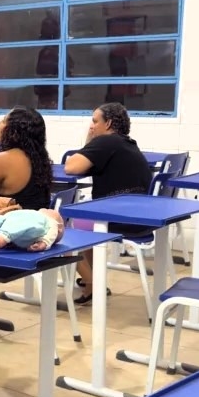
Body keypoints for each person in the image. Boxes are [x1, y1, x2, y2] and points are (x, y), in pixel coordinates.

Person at [63, 102, 153, 304]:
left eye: (95, 121)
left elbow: (71, 166)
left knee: (62, 226)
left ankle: (93, 283)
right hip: (138, 218)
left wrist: (90, 139)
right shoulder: (127, 143)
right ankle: (92, 283)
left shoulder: (107, 142)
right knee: (81, 219)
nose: (91, 126)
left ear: (109, 123)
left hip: (119, 220)